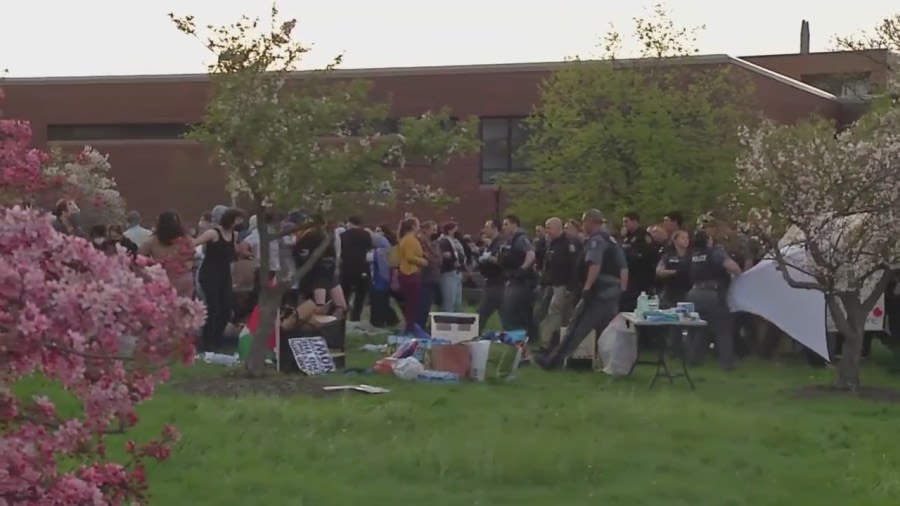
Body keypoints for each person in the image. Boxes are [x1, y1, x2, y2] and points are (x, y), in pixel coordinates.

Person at [537, 209, 627, 370]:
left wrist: (587, 287)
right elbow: (623, 268)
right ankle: (615, 364)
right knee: (607, 331)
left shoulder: (596, 240)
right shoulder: (612, 240)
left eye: (584, 221)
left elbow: (595, 264)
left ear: (591, 222)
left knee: (576, 327)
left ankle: (554, 361)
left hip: (598, 291)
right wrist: (622, 289)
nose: (582, 225)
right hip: (612, 292)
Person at [686, 229, 743, 370]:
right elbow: (732, 267)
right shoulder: (715, 252)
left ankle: (694, 359)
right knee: (723, 328)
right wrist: (740, 275)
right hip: (712, 293)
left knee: (702, 328)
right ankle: (727, 363)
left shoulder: (693, 255)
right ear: (708, 240)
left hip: (694, 293)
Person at [194, 207, 246, 351]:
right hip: (209, 274)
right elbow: (195, 243)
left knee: (226, 308)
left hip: (224, 275)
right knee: (213, 308)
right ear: (231, 218)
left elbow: (234, 251)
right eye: (238, 219)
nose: (241, 222)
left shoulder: (234, 235)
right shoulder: (213, 233)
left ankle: (217, 339)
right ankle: (206, 342)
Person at [537, 217, 578, 350]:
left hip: (563, 285)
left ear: (557, 228)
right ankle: (560, 342)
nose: (546, 231)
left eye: (549, 227)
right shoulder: (552, 244)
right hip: (552, 284)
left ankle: (546, 343)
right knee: (562, 316)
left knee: (554, 312)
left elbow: (574, 267)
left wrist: (570, 287)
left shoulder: (568, 244)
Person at [139, 211, 196, 298]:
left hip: (161, 280)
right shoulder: (187, 239)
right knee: (185, 308)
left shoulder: (151, 241)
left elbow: (138, 259)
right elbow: (191, 261)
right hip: (184, 279)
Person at [498, 214, 537, 337]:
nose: (504, 227)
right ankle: (522, 335)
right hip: (512, 277)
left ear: (514, 224)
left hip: (521, 280)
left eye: (506, 224)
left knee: (514, 308)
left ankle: (521, 336)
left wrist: (522, 268)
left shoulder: (521, 238)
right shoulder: (510, 239)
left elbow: (530, 253)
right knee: (514, 308)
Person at [620, 212, 658, 312]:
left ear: (634, 221)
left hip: (641, 278)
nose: (624, 224)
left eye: (626, 221)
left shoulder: (643, 236)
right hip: (629, 277)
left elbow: (648, 255)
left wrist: (632, 256)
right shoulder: (626, 237)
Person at [395, 217, 428, 332]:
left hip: (409, 273)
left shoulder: (408, 239)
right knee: (412, 304)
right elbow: (409, 256)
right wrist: (422, 261)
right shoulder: (409, 239)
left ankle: (411, 327)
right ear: (413, 226)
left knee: (411, 304)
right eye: (418, 225)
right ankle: (410, 328)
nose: (419, 227)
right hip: (409, 273)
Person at [339, 216, 374, 323]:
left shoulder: (343, 235)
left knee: (345, 293)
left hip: (346, 267)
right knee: (360, 294)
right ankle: (355, 316)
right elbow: (369, 247)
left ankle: (342, 316)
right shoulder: (366, 234)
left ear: (350, 223)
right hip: (362, 267)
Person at [475, 218, 505, 334]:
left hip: (497, 283)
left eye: (487, 227)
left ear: (494, 228)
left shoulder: (500, 243)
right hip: (493, 282)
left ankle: (473, 335)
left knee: (482, 312)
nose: (484, 229)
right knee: (505, 314)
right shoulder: (492, 244)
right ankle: (516, 338)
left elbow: (501, 261)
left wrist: (489, 258)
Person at [655, 229, 692, 307]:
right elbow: (659, 271)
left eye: (687, 238)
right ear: (675, 240)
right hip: (669, 293)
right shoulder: (668, 256)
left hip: (688, 292)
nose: (686, 240)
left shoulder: (692, 255)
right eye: (683, 238)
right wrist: (675, 272)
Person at [417, 221, 443, 328]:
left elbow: (439, 260)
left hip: (433, 278)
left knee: (427, 306)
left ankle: (422, 326)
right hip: (423, 278)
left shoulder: (434, 243)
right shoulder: (420, 241)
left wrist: (431, 258)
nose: (435, 232)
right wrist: (433, 258)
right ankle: (419, 327)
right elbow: (427, 259)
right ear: (425, 229)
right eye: (433, 230)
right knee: (422, 306)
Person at [437, 222, 466, 312]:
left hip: (457, 273)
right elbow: (444, 254)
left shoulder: (456, 241)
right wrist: (453, 259)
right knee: (448, 302)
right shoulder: (444, 241)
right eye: (455, 229)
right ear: (449, 230)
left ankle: (455, 323)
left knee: (457, 303)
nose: (457, 231)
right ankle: (444, 323)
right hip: (448, 273)